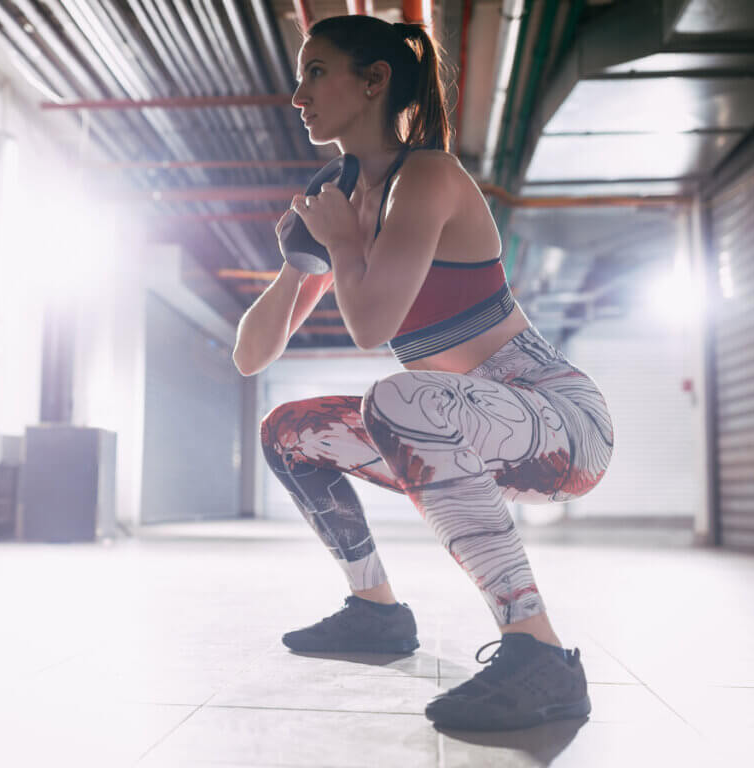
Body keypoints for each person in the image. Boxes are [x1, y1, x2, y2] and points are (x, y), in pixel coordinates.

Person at [231, 15, 614, 732]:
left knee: (398, 398)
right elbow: (251, 356)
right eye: (300, 76)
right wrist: (299, 263)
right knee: (289, 430)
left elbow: (371, 326)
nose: (299, 95)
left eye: (317, 72)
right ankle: (375, 611)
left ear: (374, 81)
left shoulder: (428, 176)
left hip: (565, 425)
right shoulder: (346, 203)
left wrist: (342, 244)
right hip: (464, 427)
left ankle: (541, 653)